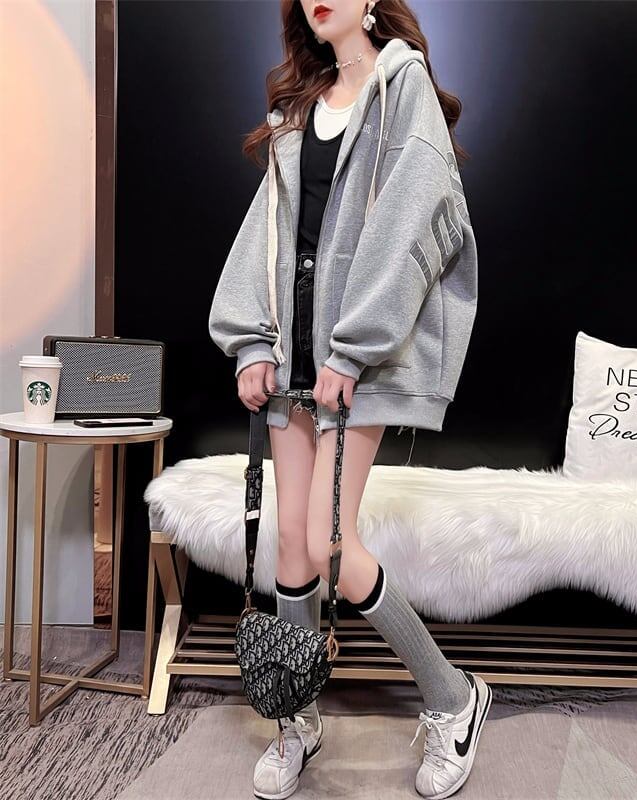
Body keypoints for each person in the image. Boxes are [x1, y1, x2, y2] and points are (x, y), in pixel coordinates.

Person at [208, 2, 484, 798]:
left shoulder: (403, 88)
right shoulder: (300, 109)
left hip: (355, 362)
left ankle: (455, 698)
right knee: (292, 547)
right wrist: (252, 343)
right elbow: (265, 233)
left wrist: (354, 348)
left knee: (332, 543)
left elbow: (411, 223)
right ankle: (296, 719)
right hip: (291, 356)